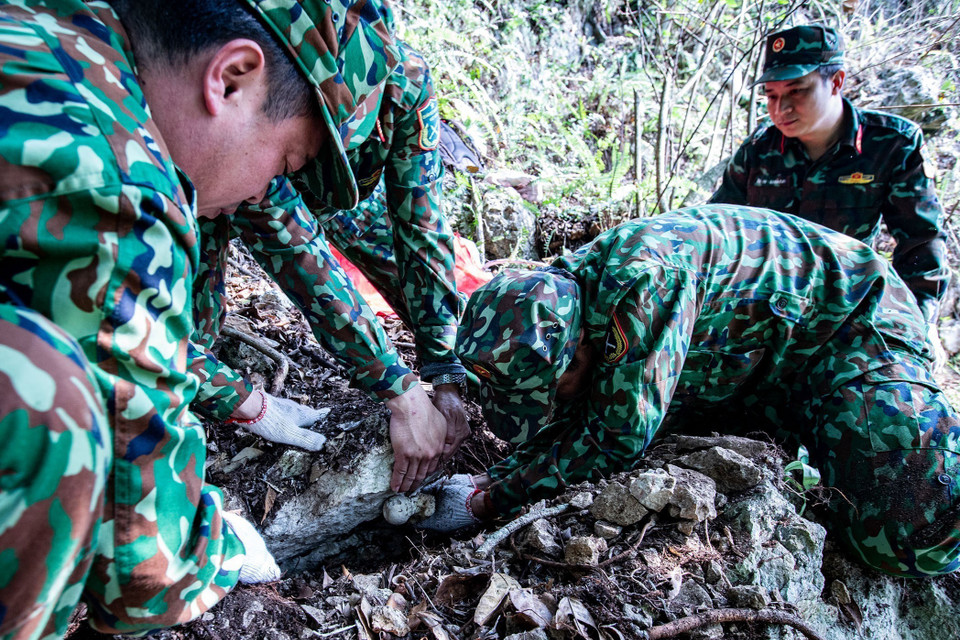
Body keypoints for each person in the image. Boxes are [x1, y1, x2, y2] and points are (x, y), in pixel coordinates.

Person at [0, 0, 395, 636]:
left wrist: (244, 398)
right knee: (40, 411)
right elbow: (144, 570)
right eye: (287, 162)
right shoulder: (125, 187)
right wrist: (217, 550)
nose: (267, 191)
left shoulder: (51, 29)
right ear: (231, 78)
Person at [418, 205, 960, 579]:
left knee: (906, 538)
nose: (554, 400)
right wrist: (496, 473)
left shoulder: (643, 281)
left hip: (851, 332)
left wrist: (489, 500)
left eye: (556, 385)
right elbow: (576, 418)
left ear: (580, 341)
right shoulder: (545, 310)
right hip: (758, 358)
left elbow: (615, 436)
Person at [189, 35, 471, 493]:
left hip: (345, 200)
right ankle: (185, 399)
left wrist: (444, 367)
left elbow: (422, 228)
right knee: (191, 307)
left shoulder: (406, 84)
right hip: (235, 179)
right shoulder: (255, 117)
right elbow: (291, 244)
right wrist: (398, 388)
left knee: (414, 283)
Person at [709, 25, 948, 331]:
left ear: (836, 82)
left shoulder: (891, 145)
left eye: (797, 91)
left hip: (845, 315)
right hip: (760, 311)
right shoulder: (759, 150)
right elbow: (718, 228)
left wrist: (913, 324)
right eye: (771, 95)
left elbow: (922, 246)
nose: (781, 109)